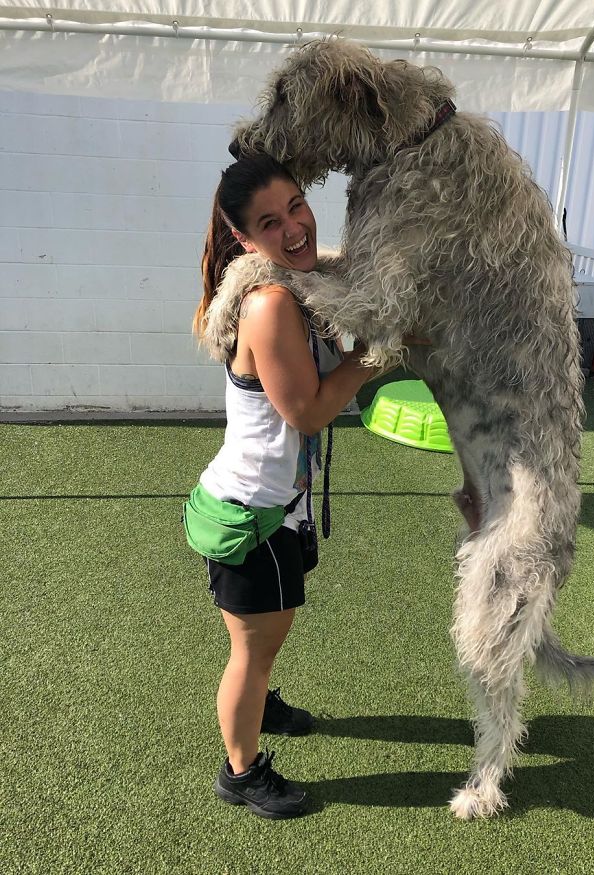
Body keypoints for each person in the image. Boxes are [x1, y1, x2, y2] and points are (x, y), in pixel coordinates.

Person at [189, 154, 387, 820]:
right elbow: (307, 411)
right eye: (271, 222)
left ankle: (260, 703)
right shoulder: (271, 301)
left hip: (277, 508)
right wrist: (372, 354)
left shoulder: (296, 282)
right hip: (250, 516)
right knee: (251, 649)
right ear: (245, 240)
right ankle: (239, 771)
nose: (295, 227)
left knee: (263, 642)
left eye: (297, 204)